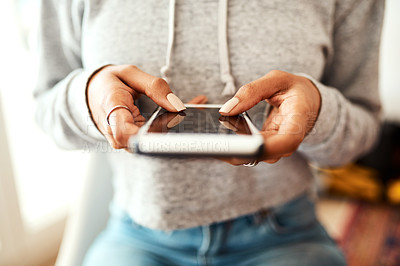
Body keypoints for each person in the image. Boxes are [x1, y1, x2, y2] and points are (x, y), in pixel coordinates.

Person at [35, 0, 384, 265]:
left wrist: (316, 112)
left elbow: (362, 130)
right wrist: (91, 93)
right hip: (139, 234)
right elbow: (46, 107)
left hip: (284, 233)